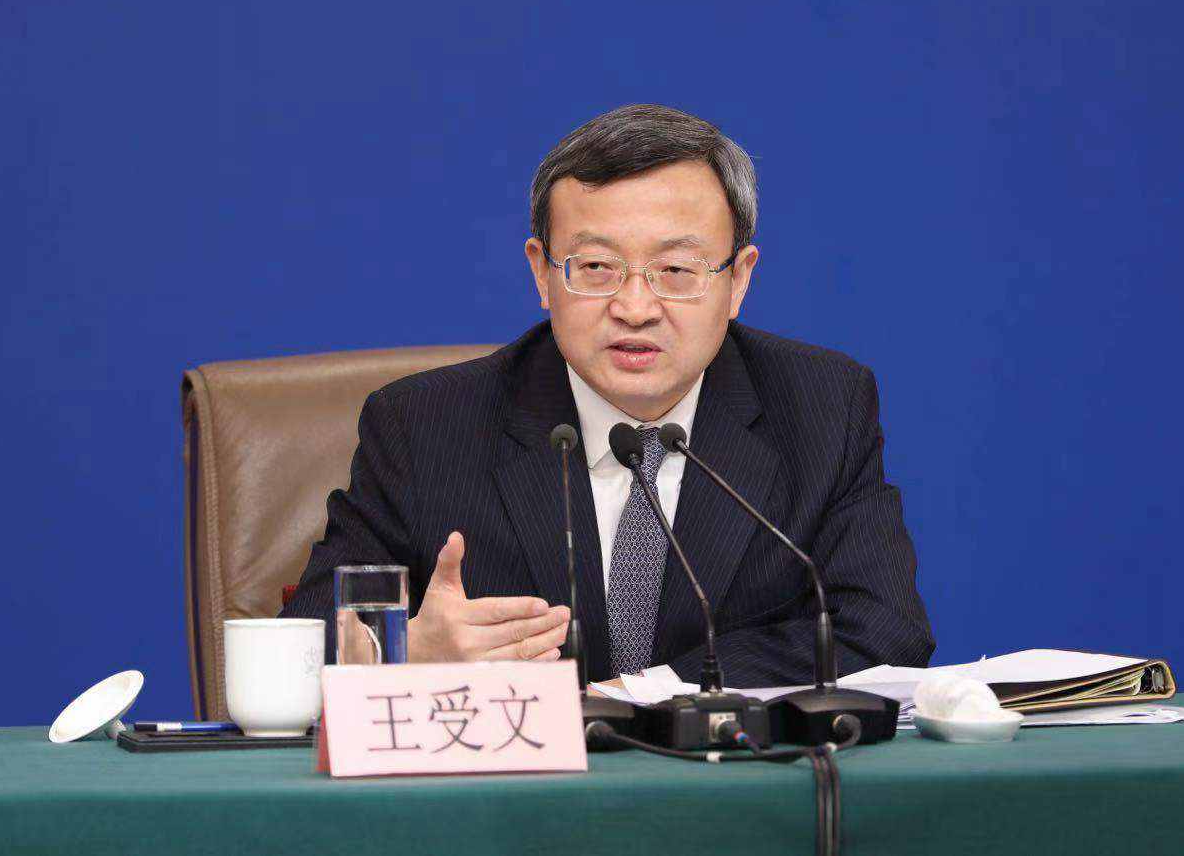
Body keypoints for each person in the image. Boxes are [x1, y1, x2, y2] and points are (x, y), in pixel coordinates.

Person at [282, 103, 934, 685]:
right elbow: (301, 647)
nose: (635, 307)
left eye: (676, 270)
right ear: (542, 274)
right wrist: (403, 653)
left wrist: (645, 696)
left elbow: (883, 633)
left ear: (738, 280)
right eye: (596, 267)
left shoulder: (821, 408)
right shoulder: (424, 426)